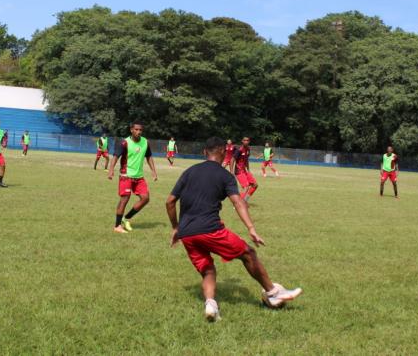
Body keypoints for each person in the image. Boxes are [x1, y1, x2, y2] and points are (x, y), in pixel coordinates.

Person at [166, 137, 302, 322]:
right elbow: (238, 202)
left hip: (188, 234)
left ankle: (211, 304)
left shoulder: (189, 172)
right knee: (248, 253)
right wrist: (251, 228)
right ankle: (273, 292)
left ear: (205, 152)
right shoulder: (225, 176)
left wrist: (176, 228)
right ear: (224, 152)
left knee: (208, 270)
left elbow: (170, 201)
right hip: (210, 230)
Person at [107, 121, 158, 233]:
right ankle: (117, 226)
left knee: (145, 198)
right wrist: (111, 170)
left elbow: (149, 157)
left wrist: (153, 171)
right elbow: (115, 157)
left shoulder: (145, 142)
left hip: (139, 177)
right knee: (124, 199)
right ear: (131, 130)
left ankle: (127, 218)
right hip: (126, 175)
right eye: (136, 129)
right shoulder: (125, 143)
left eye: (140, 130)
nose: (138, 132)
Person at [231, 137, 258, 203]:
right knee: (246, 187)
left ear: (249, 141)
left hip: (244, 171)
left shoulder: (248, 149)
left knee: (255, 185)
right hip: (239, 171)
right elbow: (232, 160)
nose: (246, 141)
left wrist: (248, 170)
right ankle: (239, 204)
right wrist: (231, 172)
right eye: (245, 140)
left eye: (247, 140)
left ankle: (244, 200)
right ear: (242, 141)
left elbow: (246, 160)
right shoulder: (239, 150)